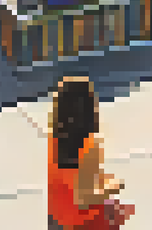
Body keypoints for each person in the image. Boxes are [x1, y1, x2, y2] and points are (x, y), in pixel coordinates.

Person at [49, 75, 134, 229]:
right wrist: (114, 186)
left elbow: (70, 182)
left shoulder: (54, 140)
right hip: (83, 223)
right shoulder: (89, 143)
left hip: (59, 218)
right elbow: (84, 198)